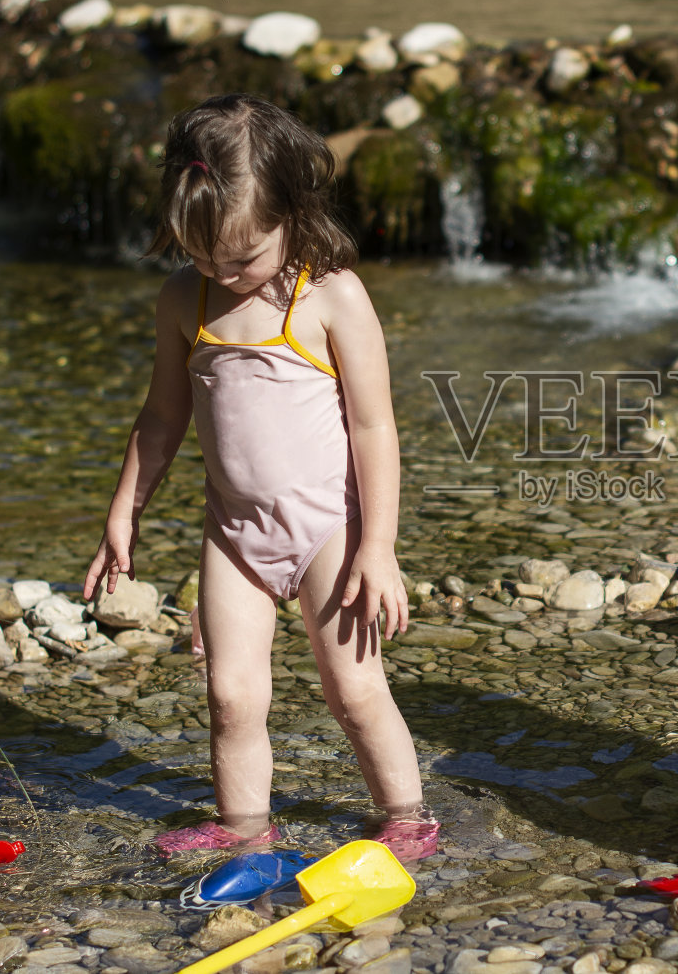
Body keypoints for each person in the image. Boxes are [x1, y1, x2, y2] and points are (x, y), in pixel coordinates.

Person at [84, 94, 436, 862]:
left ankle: (406, 813)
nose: (224, 271)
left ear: (293, 212)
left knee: (353, 689)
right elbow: (161, 416)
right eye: (205, 253)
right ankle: (245, 825)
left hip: (327, 530)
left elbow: (375, 427)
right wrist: (125, 509)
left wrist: (379, 548)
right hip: (233, 533)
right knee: (231, 694)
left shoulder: (330, 296)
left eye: (243, 255)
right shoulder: (185, 298)